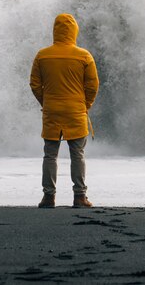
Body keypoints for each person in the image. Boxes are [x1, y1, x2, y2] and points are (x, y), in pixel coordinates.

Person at [30, 13, 99, 208]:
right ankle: (80, 197)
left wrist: (46, 101)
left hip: (52, 110)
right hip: (76, 111)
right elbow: (92, 86)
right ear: (74, 31)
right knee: (77, 154)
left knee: (50, 155)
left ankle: (48, 197)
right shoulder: (84, 56)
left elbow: (34, 84)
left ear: (55, 31)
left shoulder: (42, 55)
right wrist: (86, 105)